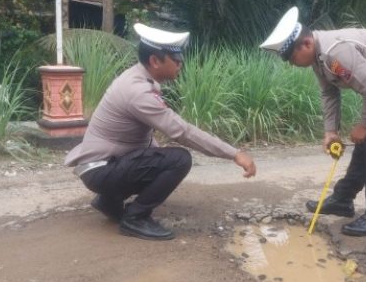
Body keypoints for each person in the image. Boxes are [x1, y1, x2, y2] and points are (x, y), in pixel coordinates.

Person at [65, 23, 256, 241]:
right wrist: (234, 153)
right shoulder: (138, 92)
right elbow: (182, 132)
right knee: (179, 160)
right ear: (155, 61)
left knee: (160, 158)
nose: (180, 65)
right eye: (176, 60)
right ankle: (135, 218)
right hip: (102, 170)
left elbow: (141, 140)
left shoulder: (138, 78)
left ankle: (108, 200)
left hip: (103, 166)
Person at [259, 7, 366, 236]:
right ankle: (343, 199)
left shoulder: (334, 53)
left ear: (306, 44)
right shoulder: (319, 58)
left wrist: (364, 126)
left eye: (291, 57)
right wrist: (330, 131)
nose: (291, 63)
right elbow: (329, 93)